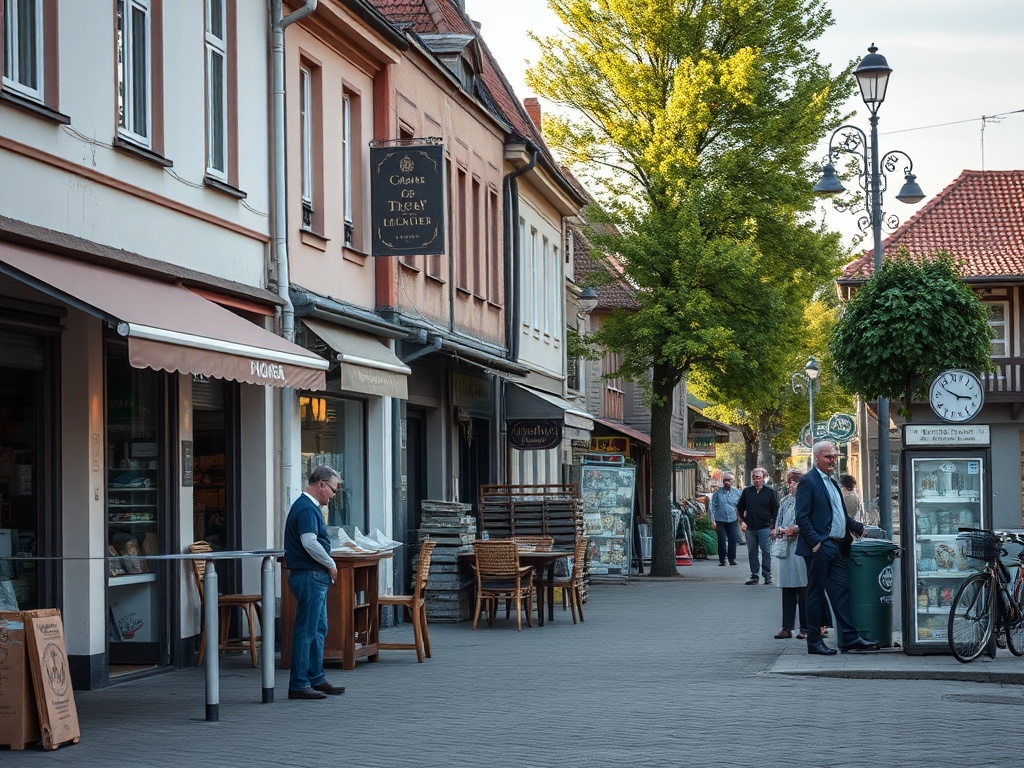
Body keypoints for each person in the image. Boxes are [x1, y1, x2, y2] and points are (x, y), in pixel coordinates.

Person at [795, 441, 880, 656]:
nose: (832, 460)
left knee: (841, 592)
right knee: (815, 595)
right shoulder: (808, 482)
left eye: (834, 456)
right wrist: (816, 543)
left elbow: (838, 514)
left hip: (838, 546)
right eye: (828, 456)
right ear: (816, 458)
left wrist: (857, 527)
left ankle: (849, 639)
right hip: (821, 547)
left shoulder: (832, 482)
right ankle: (814, 641)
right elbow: (802, 517)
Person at [284, 465, 348, 700]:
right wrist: (330, 563)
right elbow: (309, 541)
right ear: (321, 484)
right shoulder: (307, 508)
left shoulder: (307, 507)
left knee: (318, 629)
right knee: (308, 630)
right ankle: (300, 683)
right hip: (310, 575)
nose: (333, 495)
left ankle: (315, 678)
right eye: (333, 489)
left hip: (311, 575)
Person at [770, 470, 809, 639]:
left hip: (800, 547)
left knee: (803, 587)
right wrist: (776, 530)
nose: (791, 485)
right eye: (789, 482)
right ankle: (787, 627)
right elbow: (779, 521)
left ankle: (805, 627)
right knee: (787, 587)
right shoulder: (785, 501)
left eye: (795, 481)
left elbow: (809, 522)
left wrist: (796, 529)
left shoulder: (807, 500)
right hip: (785, 547)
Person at [736, 467, 778, 585]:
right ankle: (754, 575)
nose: (756, 480)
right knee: (752, 552)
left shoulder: (770, 492)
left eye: (759, 478)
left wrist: (773, 525)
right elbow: (740, 507)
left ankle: (767, 574)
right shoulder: (747, 491)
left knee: (766, 551)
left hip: (765, 527)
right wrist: (742, 521)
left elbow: (775, 510)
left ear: (764, 478)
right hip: (750, 527)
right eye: (754, 478)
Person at [709, 473, 740, 566]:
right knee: (721, 540)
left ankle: (732, 559)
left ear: (732, 481)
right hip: (720, 520)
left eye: (729, 480)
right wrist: (712, 520)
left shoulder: (737, 492)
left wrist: (741, 518)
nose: (727, 482)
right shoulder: (717, 494)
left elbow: (741, 505)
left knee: (733, 539)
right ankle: (722, 559)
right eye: (725, 480)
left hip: (732, 519)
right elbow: (712, 507)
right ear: (723, 482)